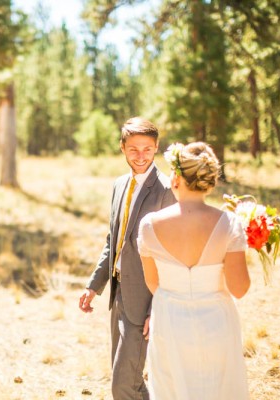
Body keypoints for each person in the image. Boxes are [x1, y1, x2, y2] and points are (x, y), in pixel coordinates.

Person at [137, 142, 251, 399]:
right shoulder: (229, 223)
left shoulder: (148, 226)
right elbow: (240, 289)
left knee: (171, 389)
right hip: (216, 322)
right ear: (209, 182)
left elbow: (153, 283)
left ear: (176, 178)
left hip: (169, 320)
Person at [78, 117, 176, 400]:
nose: (141, 155)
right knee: (124, 378)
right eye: (133, 149)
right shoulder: (119, 185)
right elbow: (114, 240)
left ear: (156, 148)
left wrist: (158, 305)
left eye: (147, 149)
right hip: (118, 294)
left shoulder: (167, 191)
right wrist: (94, 285)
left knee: (123, 384)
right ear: (122, 148)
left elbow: (170, 255)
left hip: (146, 297)